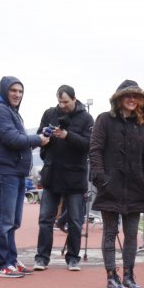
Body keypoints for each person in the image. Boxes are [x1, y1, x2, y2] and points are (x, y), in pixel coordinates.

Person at [89, 80, 144, 288]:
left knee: (132, 234)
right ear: (118, 99)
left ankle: (129, 275)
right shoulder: (104, 120)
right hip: (111, 186)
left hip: (136, 187)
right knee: (110, 232)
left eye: (136, 96)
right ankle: (111, 276)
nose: (132, 100)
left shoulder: (142, 126)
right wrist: (100, 177)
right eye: (128, 96)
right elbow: (95, 149)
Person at [0, 76, 49, 278]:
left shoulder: (10, 111)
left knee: (12, 221)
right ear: (4, 91)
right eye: (13, 90)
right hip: (4, 172)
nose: (17, 94)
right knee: (4, 221)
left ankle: (10, 260)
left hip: (15, 172)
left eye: (20, 91)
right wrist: (38, 139)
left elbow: (17, 138)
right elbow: (13, 139)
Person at [33, 85, 94, 272]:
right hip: (52, 174)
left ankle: (73, 258)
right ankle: (42, 258)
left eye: (66, 102)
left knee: (75, 220)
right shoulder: (49, 113)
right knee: (45, 219)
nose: (62, 105)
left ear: (75, 99)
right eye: (59, 101)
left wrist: (68, 136)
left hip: (75, 176)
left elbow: (88, 145)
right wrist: (45, 139)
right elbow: (39, 136)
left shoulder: (86, 118)